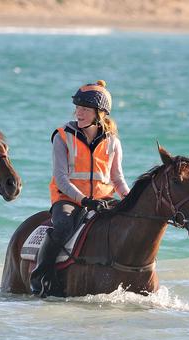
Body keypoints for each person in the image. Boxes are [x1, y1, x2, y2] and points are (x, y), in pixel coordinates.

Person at [30, 80, 130, 297]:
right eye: (77, 108)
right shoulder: (62, 136)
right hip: (68, 199)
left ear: (100, 113)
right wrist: (84, 200)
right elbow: (61, 178)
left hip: (104, 200)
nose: (79, 113)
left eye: (85, 109)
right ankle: (41, 277)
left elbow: (117, 179)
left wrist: (130, 200)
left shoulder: (113, 142)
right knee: (63, 227)